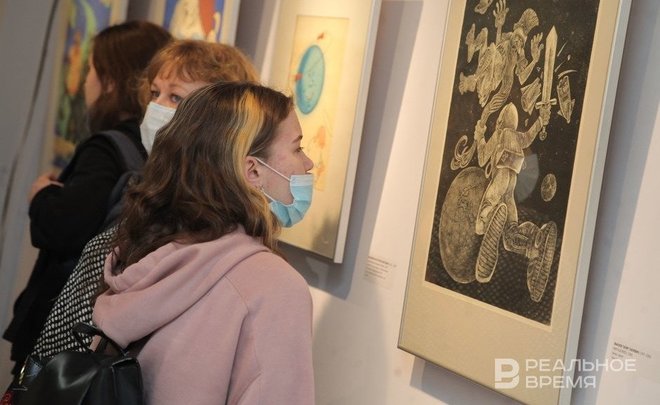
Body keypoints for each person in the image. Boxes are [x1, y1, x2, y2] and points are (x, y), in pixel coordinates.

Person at [30, 40, 260, 361]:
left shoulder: (218, 224)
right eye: (155, 93)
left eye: (175, 97)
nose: (156, 108)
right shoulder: (147, 196)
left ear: (222, 119)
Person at [93, 81, 315, 404]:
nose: (308, 164)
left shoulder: (147, 251)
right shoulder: (274, 287)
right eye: (297, 148)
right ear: (252, 170)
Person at [3, 21, 172, 375]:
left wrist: (41, 195)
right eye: (156, 92)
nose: (84, 82)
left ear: (110, 80)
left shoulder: (106, 149)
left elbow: (65, 228)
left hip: (68, 324)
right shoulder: (160, 150)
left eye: (91, 69)